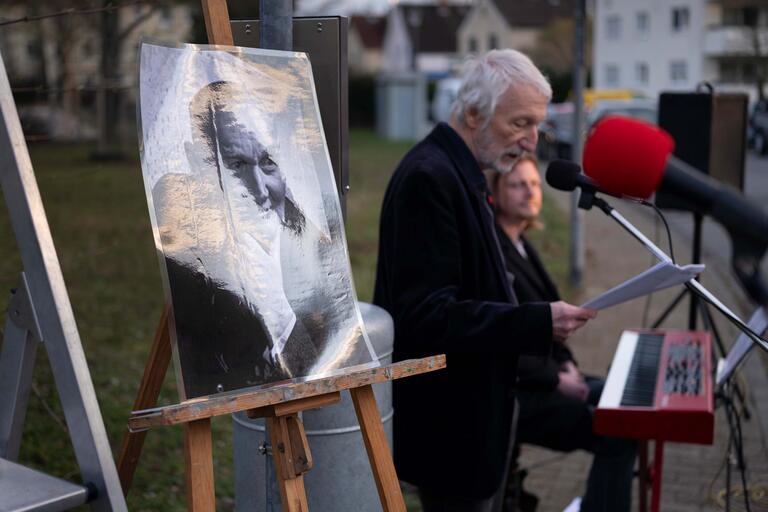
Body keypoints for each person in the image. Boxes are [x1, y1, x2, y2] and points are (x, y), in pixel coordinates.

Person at [373, 49, 597, 511]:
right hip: (451, 432)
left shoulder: (465, 170)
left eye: (537, 125)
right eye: (520, 124)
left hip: (479, 424)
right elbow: (426, 315)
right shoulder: (430, 178)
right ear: (473, 114)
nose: (533, 141)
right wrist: (535, 323)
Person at [489, 155, 637, 512]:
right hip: (520, 393)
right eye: (518, 184)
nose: (530, 192)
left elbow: (550, 323)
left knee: (627, 407)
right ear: (494, 194)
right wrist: (558, 379)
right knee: (619, 433)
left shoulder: (523, 244)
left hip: (552, 377)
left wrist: (568, 367)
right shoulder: (495, 254)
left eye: (535, 184)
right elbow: (504, 338)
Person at [152, 80, 318, 398]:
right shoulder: (189, 249)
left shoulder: (307, 236)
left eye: (268, 161)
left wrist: (277, 307)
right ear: (198, 163)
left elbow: (318, 362)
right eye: (237, 165)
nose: (258, 189)